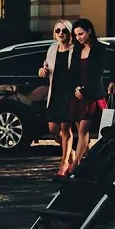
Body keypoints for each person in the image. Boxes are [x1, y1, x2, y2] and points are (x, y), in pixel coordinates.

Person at [66, 18, 108, 172]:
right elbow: (73, 73)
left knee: (84, 129)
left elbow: (97, 74)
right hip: (77, 95)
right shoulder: (76, 50)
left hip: (92, 94)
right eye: (76, 35)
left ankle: (75, 166)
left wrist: (84, 90)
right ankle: (92, 163)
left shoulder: (100, 49)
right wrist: (76, 88)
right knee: (80, 131)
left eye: (81, 34)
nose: (79, 38)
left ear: (89, 31)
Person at [38, 20, 77, 177]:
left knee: (65, 129)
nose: (61, 33)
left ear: (69, 33)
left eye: (64, 31)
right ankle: (72, 154)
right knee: (53, 129)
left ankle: (64, 163)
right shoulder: (52, 48)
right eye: (57, 30)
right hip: (55, 93)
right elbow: (46, 65)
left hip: (69, 94)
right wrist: (42, 70)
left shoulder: (75, 50)